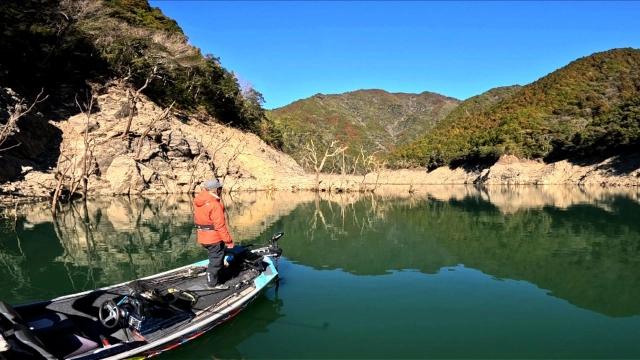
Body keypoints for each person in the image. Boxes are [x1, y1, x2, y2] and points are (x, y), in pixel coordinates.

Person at [193, 179, 235, 290]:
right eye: (220, 188)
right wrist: (228, 241)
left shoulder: (199, 201)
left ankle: (218, 275)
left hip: (203, 236)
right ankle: (212, 284)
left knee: (216, 257)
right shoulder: (215, 205)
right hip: (213, 238)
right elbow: (220, 226)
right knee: (216, 261)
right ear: (216, 190)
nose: (221, 190)